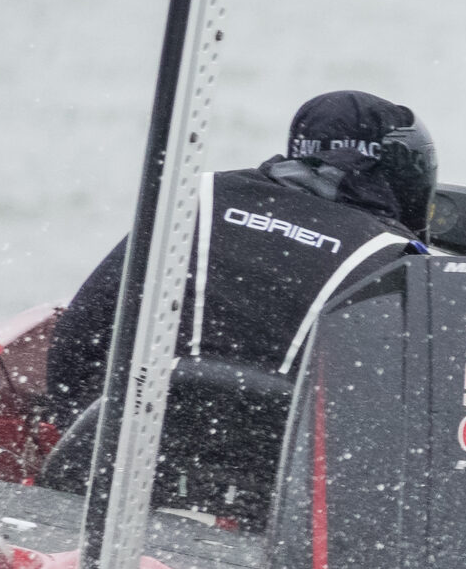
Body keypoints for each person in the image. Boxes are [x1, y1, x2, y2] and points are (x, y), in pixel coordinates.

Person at [43, 89, 437, 421]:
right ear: (398, 171)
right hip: (277, 480)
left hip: (131, 443)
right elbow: (399, 407)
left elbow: (81, 333)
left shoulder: (197, 194)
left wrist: (69, 420)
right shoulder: (399, 257)